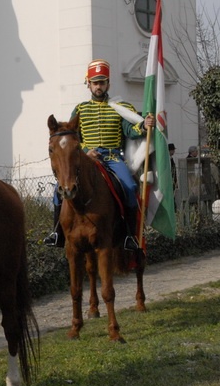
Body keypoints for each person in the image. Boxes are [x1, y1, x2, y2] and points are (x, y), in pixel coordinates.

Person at [44, 59, 154, 250]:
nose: (98, 86)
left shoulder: (120, 107)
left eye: (102, 82)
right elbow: (72, 137)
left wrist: (144, 125)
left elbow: (130, 130)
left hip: (113, 158)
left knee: (129, 187)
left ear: (108, 84)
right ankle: (56, 233)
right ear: (89, 84)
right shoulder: (80, 109)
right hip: (87, 159)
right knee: (58, 190)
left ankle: (129, 236)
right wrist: (86, 150)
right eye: (95, 83)